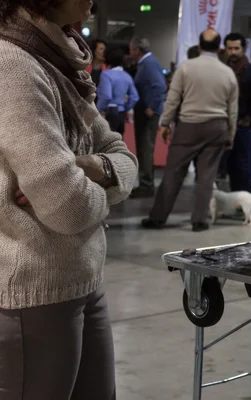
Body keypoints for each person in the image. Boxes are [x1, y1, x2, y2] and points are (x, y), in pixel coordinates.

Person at [0, 0, 138, 398]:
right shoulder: (15, 64)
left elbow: (121, 154)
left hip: (82, 276)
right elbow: (68, 206)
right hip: (33, 290)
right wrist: (96, 178)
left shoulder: (59, 57)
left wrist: (95, 165)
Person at [142, 29, 238, 232]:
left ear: (200, 46)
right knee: (207, 176)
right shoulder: (228, 72)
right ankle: (200, 220)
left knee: (173, 173)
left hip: (189, 126)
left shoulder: (186, 67)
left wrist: (165, 123)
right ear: (220, 48)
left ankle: (158, 217)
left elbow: (173, 98)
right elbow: (232, 109)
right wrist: (230, 135)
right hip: (217, 126)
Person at [224, 32, 251, 194]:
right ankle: (236, 201)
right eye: (229, 48)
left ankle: (248, 199)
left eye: (236, 48)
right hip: (225, 124)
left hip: (243, 125)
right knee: (230, 165)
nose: (233, 52)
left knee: (243, 163)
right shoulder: (224, 69)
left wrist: (248, 117)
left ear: (243, 49)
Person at [129, 36, 167, 198]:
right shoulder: (147, 63)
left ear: (137, 50)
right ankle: (145, 183)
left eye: (131, 49)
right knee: (144, 148)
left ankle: (146, 184)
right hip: (144, 111)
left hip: (148, 113)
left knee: (145, 148)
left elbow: (160, 86)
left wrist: (152, 107)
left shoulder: (149, 64)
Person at [96, 46, 139, 135]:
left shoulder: (106, 75)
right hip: (120, 113)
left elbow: (106, 96)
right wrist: (125, 107)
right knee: (119, 142)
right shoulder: (126, 76)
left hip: (109, 112)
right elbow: (134, 97)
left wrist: (97, 110)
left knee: (106, 143)